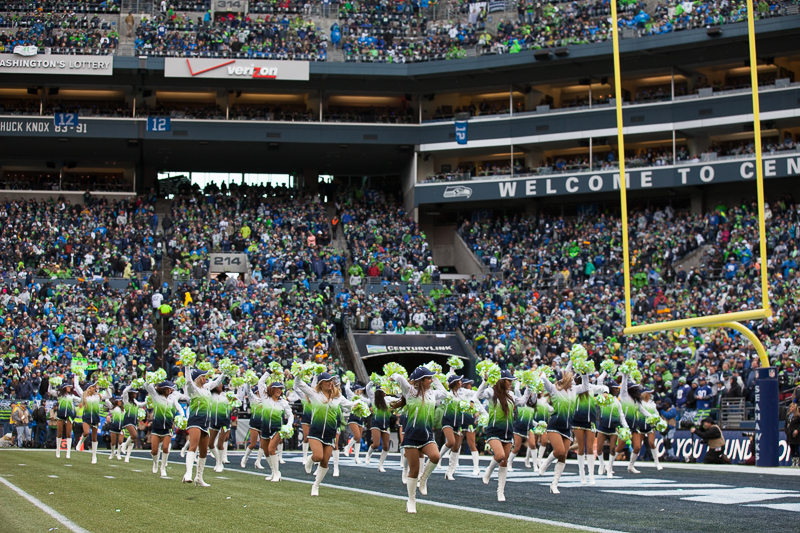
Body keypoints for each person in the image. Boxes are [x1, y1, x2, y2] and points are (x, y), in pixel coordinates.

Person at [391, 367, 448, 514]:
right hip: (411, 437)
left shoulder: (432, 393)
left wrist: (435, 378)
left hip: (427, 436)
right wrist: (394, 375)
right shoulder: (410, 392)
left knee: (436, 456)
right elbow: (400, 378)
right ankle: (411, 500)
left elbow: (444, 393)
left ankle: (424, 479)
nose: (431, 380)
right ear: (421, 380)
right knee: (414, 471)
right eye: (428, 378)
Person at [294, 372, 355, 496]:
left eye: (331, 381)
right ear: (321, 384)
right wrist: (299, 373)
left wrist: (359, 405)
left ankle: (315, 486)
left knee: (325, 462)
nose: (330, 383)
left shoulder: (338, 397)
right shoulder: (314, 394)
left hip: (330, 433)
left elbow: (349, 405)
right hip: (316, 431)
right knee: (318, 456)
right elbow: (298, 384)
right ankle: (309, 461)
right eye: (327, 381)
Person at [478, 369, 526, 502]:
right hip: (494, 431)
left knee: (504, 462)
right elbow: (479, 395)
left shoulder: (510, 394)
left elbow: (522, 402)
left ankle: (500, 491)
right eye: (509, 380)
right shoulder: (492, 392)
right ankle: (488, 471)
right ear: (502, 381)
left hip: (508, 432)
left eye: (511, 381)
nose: (510, 383)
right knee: (500, 456)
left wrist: (528, 388)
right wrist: (485, 381)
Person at [183, 366, 225, 486]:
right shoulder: (193, 389)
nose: (205, 378)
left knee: (203, 451)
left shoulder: (206, 388)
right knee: (193, 446)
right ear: (198, 378)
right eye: (203, 376)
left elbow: (217, 382)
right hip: (195, 420)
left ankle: (199, 478)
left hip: (205, 423)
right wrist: (187, 366)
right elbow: (188, 381)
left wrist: (225, 373)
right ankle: (188, 473)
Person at [257, 373, 294, 482]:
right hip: (264, 428)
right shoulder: (265, 399)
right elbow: (260, 382)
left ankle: (277, 473)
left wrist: (289, 425)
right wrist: (268, 372)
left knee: (271, 449)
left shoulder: (283, 402)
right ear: (272, 389)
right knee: (266, 451)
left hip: (277, 429)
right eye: (277, 388)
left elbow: (290, 415)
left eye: (281, 389)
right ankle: (273, 472)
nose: (279, 390)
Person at [145, 380, 182, 477]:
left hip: (168, 427)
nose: (170, 390)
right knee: (154, 451)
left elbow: (179, 408)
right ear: (164, 389)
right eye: (169, 388)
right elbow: (147, 386)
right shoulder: (156, 396)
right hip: (157, 427)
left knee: (165, 448)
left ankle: (163, 468)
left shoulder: (172, 398)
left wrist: (182, 416)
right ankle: (155, 463)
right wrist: (152, 379)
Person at [364, 380, 397, 472]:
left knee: (386, 446)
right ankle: (368, 455)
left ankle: (380, 465)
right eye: (383, 391)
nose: (385, 393)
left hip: (386, 425)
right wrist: (373, 381)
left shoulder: (388, 399)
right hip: (376, 424)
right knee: (376, 443)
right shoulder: (373, 398)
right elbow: (368, 388)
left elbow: (399, 399)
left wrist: (398, 388)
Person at [74, 380, 106, 464]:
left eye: (95, 387)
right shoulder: (84, 396)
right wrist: (77, 375)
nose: (95, 388)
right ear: (89, 388)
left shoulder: (97, 396)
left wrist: (106, 386)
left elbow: (109, 395)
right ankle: (80, 443)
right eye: (93, 387)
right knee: (86, 432)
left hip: (95, 418)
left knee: (94, 438)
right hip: (87, 417)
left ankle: (94, 456)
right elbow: (76, 386)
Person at [48, 376, 81, 459]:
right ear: (64, 388)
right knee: (59, 433)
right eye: (68, 387)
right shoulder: (59, 395)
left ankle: (68, 452)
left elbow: (80, 399)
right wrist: (50, 383)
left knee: (68, 433)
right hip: (60, 415)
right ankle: (58, 450)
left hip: (69, 416)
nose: (70, 388)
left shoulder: (71, 396)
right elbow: (49, 391)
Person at [239, 384, 266, 470]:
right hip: (254, 423)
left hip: (263, 423)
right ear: (257, 391)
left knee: (263, 444)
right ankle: (245, 458)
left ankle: (258, 461)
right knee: (253, 444)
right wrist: (248, 382)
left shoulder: (266, 400)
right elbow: (248, 391)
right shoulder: (253, 398)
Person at [120, 383, 146, 463]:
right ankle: (124, 445)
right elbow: (124, 391)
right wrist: (132, 385)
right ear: (131, 394)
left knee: (132, 440)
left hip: (134, 421)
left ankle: (127, 457)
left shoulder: (135, 402)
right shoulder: (126, 400)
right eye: (134, 393)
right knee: (134, 435)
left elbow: (141, 405)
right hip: (128, 420)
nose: (136, 394)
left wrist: (148, 400)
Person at [342, 379, 366, 465]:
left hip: (361, 418)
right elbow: (347, 389)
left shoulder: (363, 398)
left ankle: (356, 458)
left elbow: (370, 401)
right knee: (357, 435)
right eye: (360, 389)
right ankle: (347, 448)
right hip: (353, 417)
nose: (362, 391)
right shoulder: (351, 395)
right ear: (357, 390)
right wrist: (348, 380)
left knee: (359, 439)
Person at [785, 403, 800, 467]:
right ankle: (793, 462)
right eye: (790, 407)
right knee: (791, 448)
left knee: (796, 448)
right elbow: (786, 425)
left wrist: (797, 430)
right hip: (789, 435)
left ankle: (797, 462)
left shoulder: (798, 416)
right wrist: (786, 431)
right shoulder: (788, 416)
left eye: (793, 407)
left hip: (796, 435)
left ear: (795, 408)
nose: (791, 409)